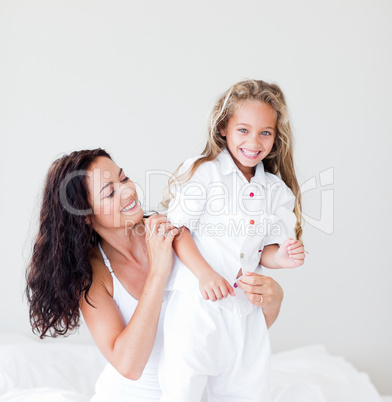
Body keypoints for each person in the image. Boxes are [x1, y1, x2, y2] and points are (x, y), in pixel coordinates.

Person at [25, 148, 285, 402]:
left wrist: (273, 299)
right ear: (85, 217)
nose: (128, 191)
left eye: (124, 178)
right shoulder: (94, 276)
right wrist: (158, 273)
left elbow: (237, 327)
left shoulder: (179, 232)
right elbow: (129, 365)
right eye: (110, 193)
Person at [160, 79, 305, 402]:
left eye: (265, 132)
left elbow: (265, 251)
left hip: (244, 312)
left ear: (275, 137)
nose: (254, 141)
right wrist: (205, 274)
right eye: (243, 130)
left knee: (245, 390)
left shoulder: (276, 192)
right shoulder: (203, 173)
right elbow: (177, 230)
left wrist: (282, 257)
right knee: (183, 389)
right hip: (197, 306)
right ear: (224, 128)